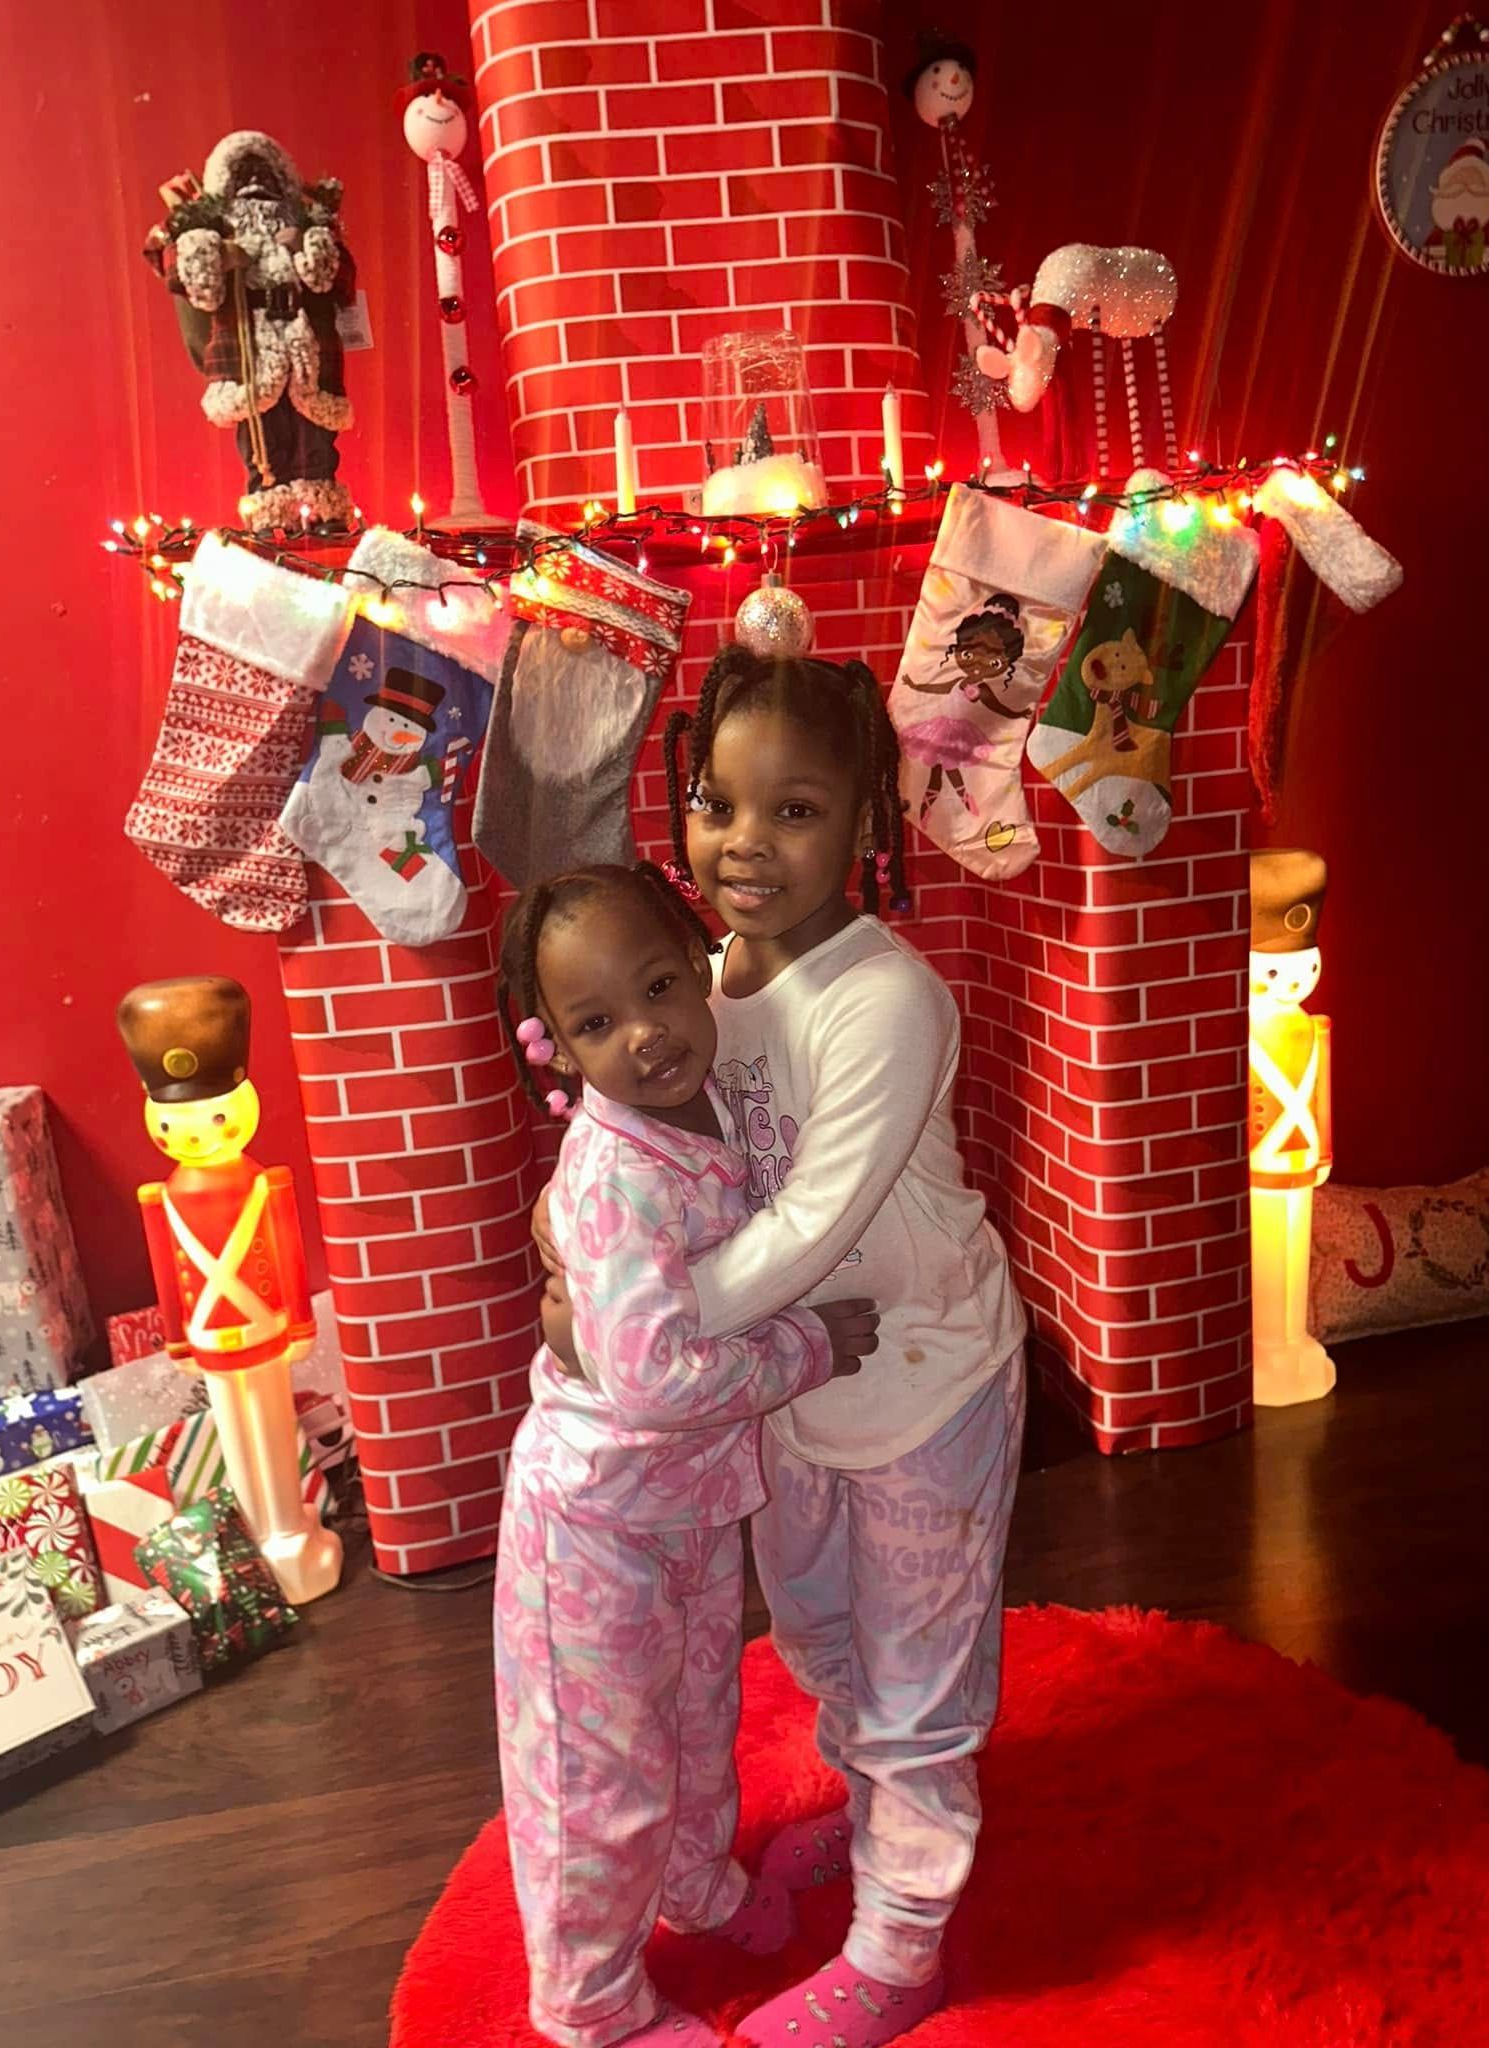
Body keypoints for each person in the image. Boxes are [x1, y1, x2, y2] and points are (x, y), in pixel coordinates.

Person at [537, 650, 1027, 2048]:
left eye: (795, 812)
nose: (746, 845)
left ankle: (903, 1940)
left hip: (924, 1385)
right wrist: (571, 1229)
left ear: (867, 824)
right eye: (716, 805)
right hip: (788, 1398)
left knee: (920, 1683)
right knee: (823, 1642)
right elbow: (633, 1140)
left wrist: (651, 1318)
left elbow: (813, 1221)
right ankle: (873, 1813)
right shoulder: (697, 980)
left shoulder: (886, 998)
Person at [493, 859, 881, 2048]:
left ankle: (698, 1879)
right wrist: (808, 1350)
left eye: (661, 985)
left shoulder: (717, 1105)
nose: (646, 1035)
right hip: (595, 1524)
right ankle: (588, 2004)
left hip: (693, 1509)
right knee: (594, 1772)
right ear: (555, 1045)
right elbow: (653, 1377)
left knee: (698, 1713)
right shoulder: (611, 1173)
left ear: (703, 965)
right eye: (597, 1023)